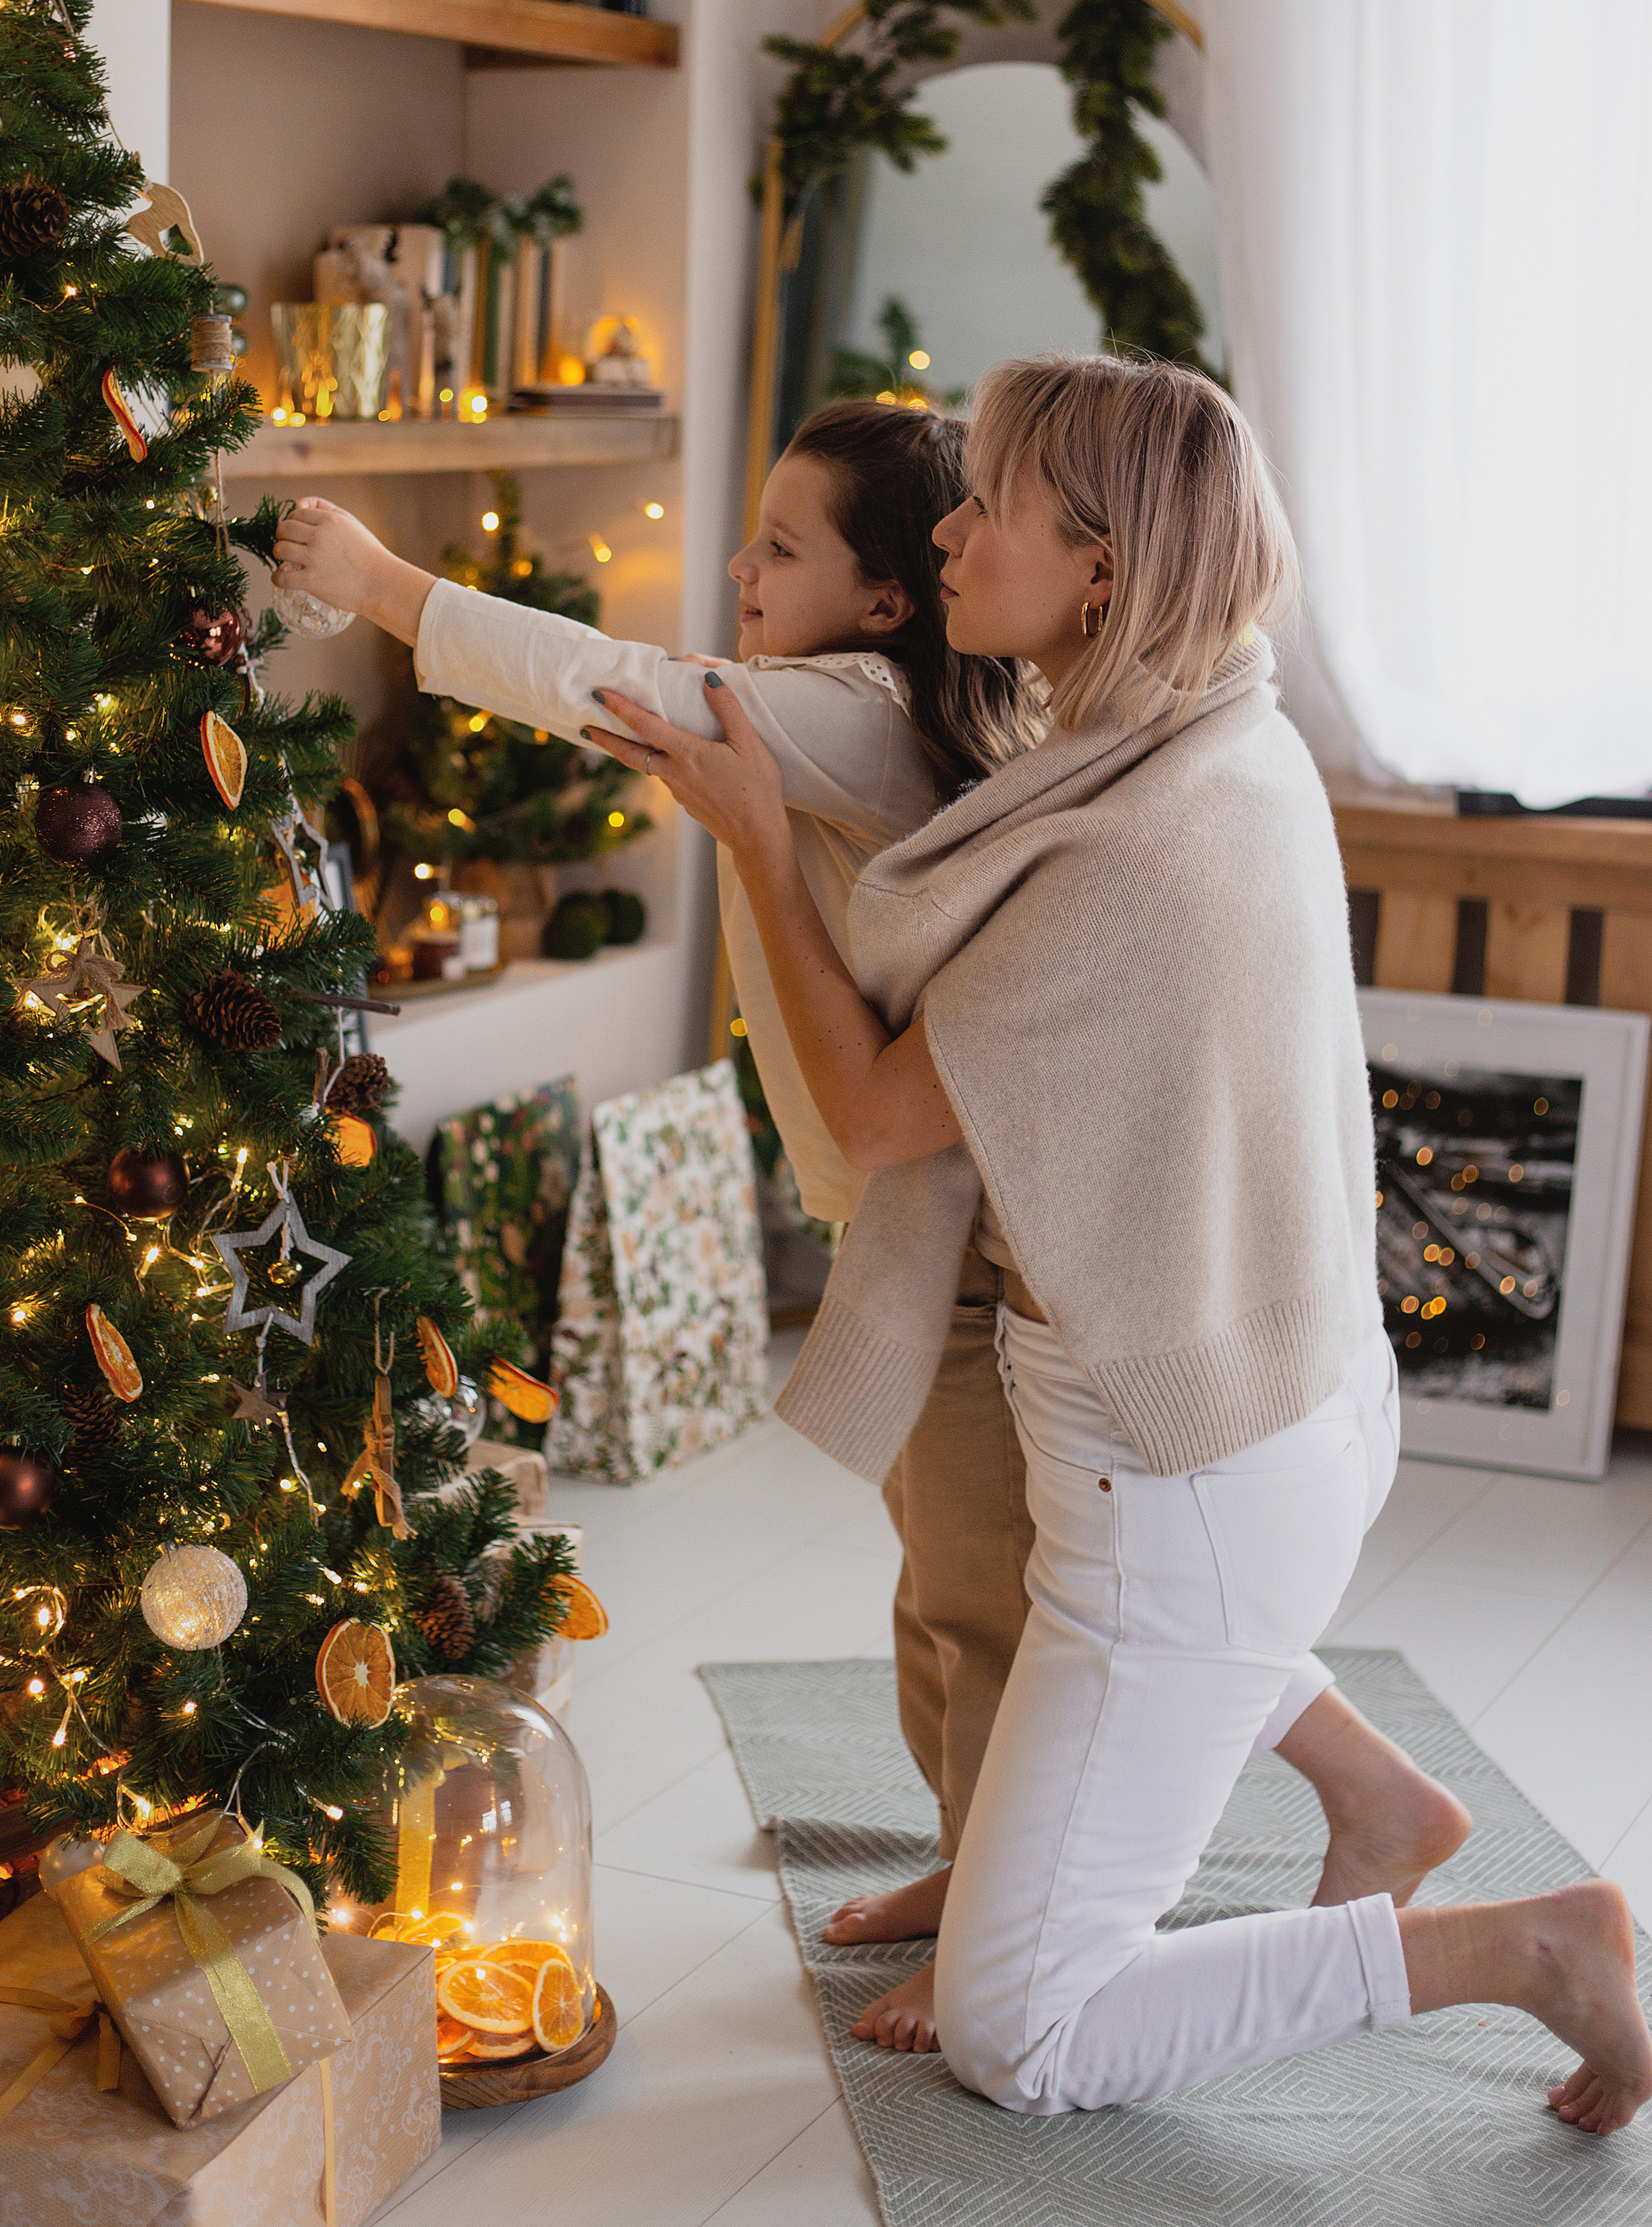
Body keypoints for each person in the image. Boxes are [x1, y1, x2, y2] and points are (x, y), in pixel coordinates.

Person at [583, 352, 1652, 2135]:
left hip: (1185, 1488)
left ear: (1098, 568)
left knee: (1028, 2033)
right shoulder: (1202, 730)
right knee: (1100, 1650)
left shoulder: (1131, 847)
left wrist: (760, 849)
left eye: (987, 500)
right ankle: (1379, 1805)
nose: (949, 528)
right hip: (1258, 1424)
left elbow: (873, 1120)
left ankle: (1521, 1951)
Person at [273, 403, 1049, 2035]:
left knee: (981, 1597)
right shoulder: (863, 699)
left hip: (963, 1247)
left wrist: (389, 583)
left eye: (780, 546)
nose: (737, 568)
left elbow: (608, 687)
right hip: (907, 1225)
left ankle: (1004, 1933)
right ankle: (963, 1862)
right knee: (932, 1586)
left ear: (889, 600)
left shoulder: (852, 706)